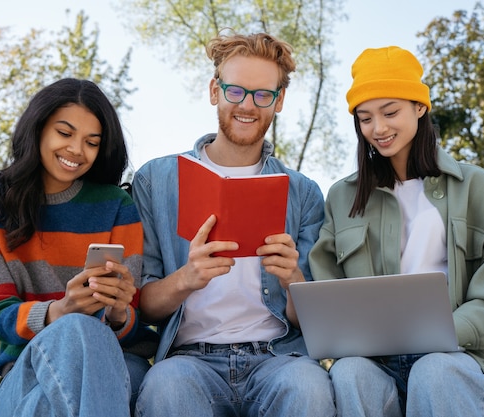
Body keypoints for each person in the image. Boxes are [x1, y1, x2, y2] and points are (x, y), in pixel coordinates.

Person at [308, 46, 484, 417]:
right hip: (376, 361)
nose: (378, 129)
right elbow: (326, 289)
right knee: (349, 372)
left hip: (458, 356)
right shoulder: (342, 197)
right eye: (365, 118)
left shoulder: (476, 187)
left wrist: (441, 331)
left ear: (420, 107)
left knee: (434, 371)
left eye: (390, 112)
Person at [131, 31, 335, 417]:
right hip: (190, 359)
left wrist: (292, 278)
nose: (248, 105)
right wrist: (187, 277)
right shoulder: (156, 181)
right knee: (165, 387)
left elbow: (309, 319)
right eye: (235, 91)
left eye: (263, 95)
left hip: (278, 357)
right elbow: (142, 307)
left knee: (310, 387)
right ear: (214, 91)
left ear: (279, 101)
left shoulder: (303, 192)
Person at [0, 78, 156, 417]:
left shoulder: (117, 206)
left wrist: (118, 310)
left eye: (91, 142)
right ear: (37, 130)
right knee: (75, 328)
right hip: (26, 367)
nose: (77, 150)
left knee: (46, 402)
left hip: (120, 362)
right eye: (64, 134)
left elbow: (133, 319)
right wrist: (60, 312)